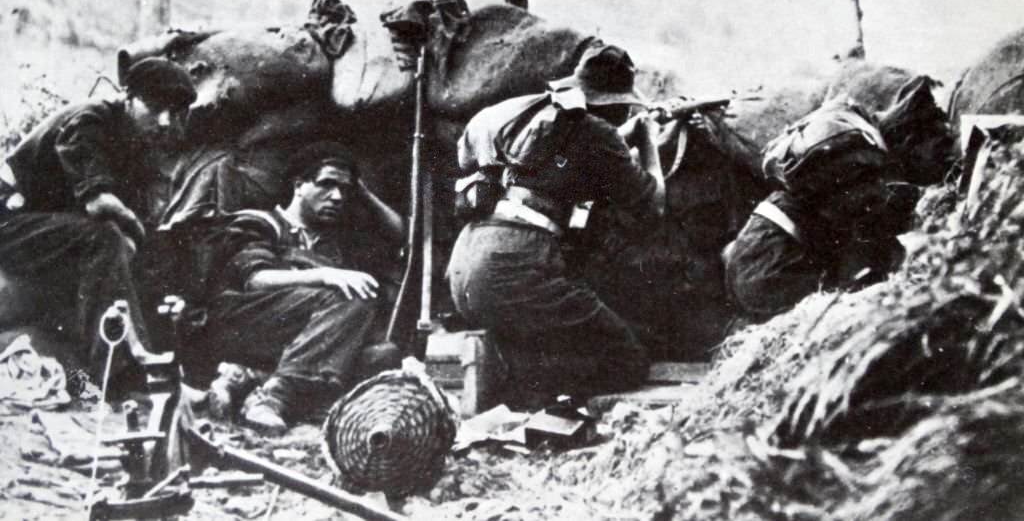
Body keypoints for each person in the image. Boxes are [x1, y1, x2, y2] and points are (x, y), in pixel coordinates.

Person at [446, 44, 666, 404]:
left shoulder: (523, 114)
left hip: (467, 262)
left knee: (574, 331)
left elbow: (547, 166)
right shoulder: (597, 133)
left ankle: (509, 359)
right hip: (515, 265)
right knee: (628, 360)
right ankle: (506, 371)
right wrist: (649, 143)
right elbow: (653, 202)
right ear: (613, 101)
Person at [0, 57, 196, 376]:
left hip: (50, 232)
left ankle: (157, 360)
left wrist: (140, 238)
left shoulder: (141, 144)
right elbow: (100, 204)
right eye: (155, 108)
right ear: (128, 98)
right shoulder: (92, 120)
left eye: (174, 113)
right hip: (11, 223)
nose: (164, 122)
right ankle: (120, 370)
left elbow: (146, 210)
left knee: (149, 254)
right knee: (103, 238)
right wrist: (135, 233)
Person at [193, 141, 404, 433]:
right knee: (351, 295)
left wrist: (364, 193)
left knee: (385, 355)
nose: (337, 197)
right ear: (299, 184)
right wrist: (326, 275)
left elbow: (402, 235)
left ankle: (251, 379)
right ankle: (275, 395)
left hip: (305, 340)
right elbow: (256, 280)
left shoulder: (337, 244)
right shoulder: (261, 222)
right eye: (326, 184)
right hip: (246, 323)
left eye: (345, 190)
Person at [724, 100, 915, 321]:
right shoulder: (768, 256)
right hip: (772, 282)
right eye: (864, 181)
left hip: (768, 264)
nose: (877, 189)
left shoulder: (838, 190)